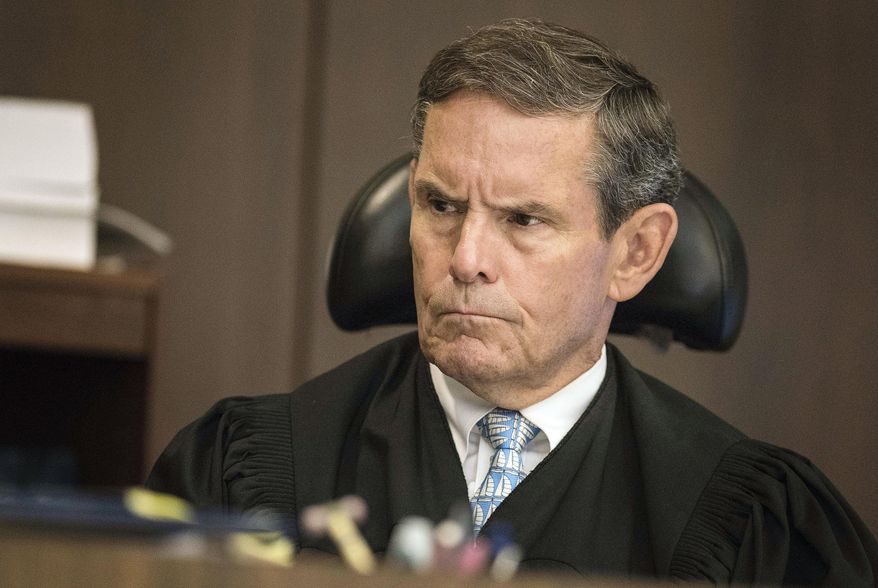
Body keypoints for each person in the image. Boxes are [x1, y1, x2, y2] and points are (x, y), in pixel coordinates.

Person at [147, 18, 878, 584]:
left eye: (524, 220)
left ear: (636, 253)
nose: (465, 259)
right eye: (440, 206)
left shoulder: (752, 525)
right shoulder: (248, 472)